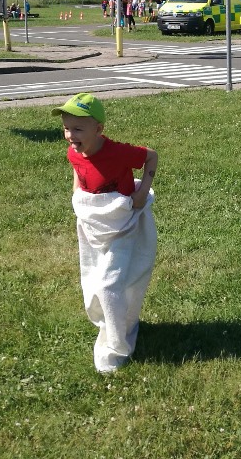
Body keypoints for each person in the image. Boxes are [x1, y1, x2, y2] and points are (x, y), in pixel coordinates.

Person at [53, 93, 158, 373]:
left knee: (108, 285)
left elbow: (151, 157)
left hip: (122, 226)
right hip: (95, 223)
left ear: (98, 129)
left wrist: (142, 192)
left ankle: (117, 346)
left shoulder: (117, 152)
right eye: (66, 128)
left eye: (77, 128)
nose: (70, 135)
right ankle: (118, 324)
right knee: (93, 279)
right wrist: (77, 193)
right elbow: (77, 167)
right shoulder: (74, 150)